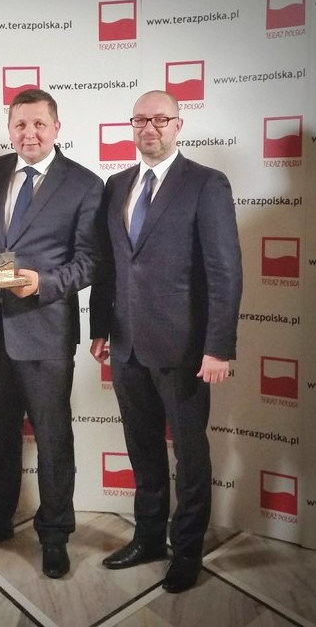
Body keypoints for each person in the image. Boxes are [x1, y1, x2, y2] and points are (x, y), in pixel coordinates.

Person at [89, 90, 242, 593]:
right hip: (127, 344)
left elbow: (224, 271)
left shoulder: (205, 183)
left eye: (160, 119)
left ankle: (187, 550)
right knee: (142, 448)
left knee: (190, 456)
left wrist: (218, 347)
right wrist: (99, 328)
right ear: (131, 126)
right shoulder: (117, 185)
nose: (149, 128)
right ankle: (149, 538)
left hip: (186, 349)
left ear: (178, 125)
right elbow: (110, 266)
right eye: (140, 120)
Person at [0, 89, 104, 579]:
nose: (30, 133)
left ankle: (55, 534)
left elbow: (89, 260)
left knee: (53, 438)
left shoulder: (85, 184)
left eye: (39, 124)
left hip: (46, 332)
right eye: (20, 125)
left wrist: (43, 284)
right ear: (9, 128)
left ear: (57, 128)